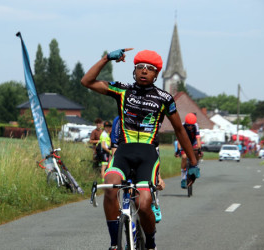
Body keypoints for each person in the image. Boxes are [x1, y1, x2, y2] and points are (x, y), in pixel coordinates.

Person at [81, 48, 198, 250]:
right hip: (124, 152)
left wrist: (193, 163)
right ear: (134, 71)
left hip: (148, 155)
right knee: (110, 186)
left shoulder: (165, 98)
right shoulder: (122, 90)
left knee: (144, 204)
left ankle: (151, 244)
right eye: (140, 67)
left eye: (150, 68)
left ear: (156, 74)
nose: (144, 71)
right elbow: (87, 81)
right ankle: (114, 244)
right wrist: (107, 58)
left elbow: (179, 130)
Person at [177, 113, 202, 189]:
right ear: (186, 123)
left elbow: (198, 139)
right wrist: (179, 149)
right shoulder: (182, 126)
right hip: (184, 141)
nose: (190, 127)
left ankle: (196, 166)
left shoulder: (196, 126)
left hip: (193, 141)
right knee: (184, 157)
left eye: (192, 125)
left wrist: (199, 149)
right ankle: (183, 177)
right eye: (188, 125)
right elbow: (179, 140)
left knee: (197, 152)